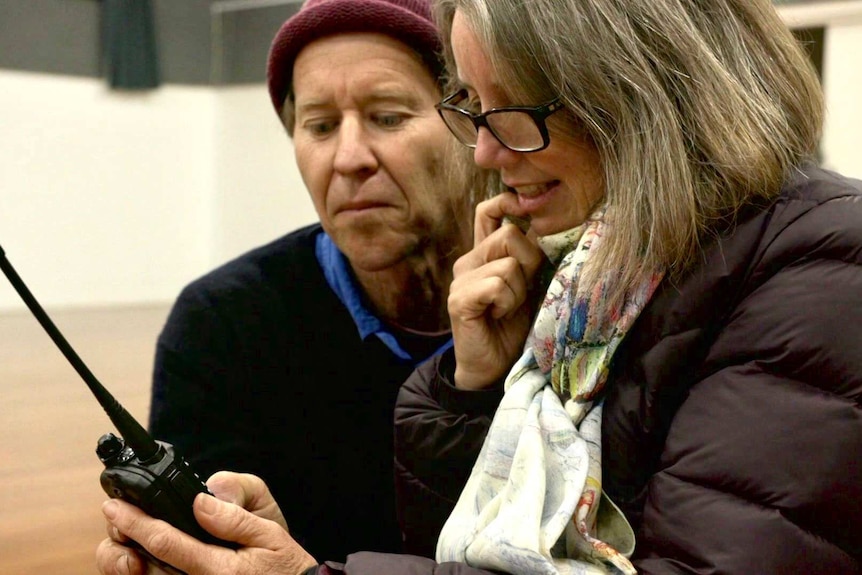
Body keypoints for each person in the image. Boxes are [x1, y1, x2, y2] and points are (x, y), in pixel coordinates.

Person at [97, 0, 862, 573]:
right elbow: (477, 552)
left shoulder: (807, 268)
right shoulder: (597, 275)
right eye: (319, 125)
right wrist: (471, 391)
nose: (490, 152)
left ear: (640, 94)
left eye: (512, 111)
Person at [96, 0, 491, 572]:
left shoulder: (566, 306)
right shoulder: (222, 324)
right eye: (321, 126)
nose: (348, 159)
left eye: (387, 116)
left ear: (474, 126)